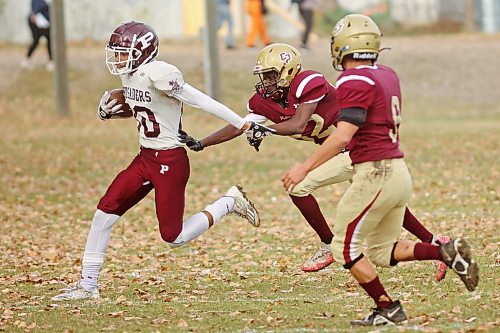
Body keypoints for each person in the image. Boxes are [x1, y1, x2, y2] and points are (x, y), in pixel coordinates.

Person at [179, 43, 450, 279]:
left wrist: (266, 130)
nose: (266, 81)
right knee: (387, 204)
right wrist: (202, 142)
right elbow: (241, 125)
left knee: (299, 186)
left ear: (288, 72)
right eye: (264, 76)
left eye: (271, 75)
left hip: (354, 146)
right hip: (340, 151)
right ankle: (436, 243)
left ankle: (327, 243)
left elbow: (297, 124)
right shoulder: (264, 100)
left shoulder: (309, 82)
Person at [51, 21, 275, 301]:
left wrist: (241, 124)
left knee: (174, 237)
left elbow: (201, 100)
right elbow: (143, 110)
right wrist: (109, 113)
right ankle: (87, 285)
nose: (118, 59)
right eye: (116, 52)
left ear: (143, 51)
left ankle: (229, 202)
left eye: (123, 52)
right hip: (145, 157)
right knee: (103, 215)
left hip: (170, 160)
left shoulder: (159, 74)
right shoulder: (130, 76)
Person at [281, 14, 479, 325]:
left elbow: (344, 135)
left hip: (375, 172)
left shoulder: (353, 79)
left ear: (344, 47)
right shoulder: (387, 74)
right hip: (398, 171)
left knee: (344, 249)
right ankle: (444, 252)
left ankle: (387, 308)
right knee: (380, 251)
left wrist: (304, 167)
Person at [22, 0, 53, 71]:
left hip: (46, 22)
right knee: (36, 40)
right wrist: (33, 15)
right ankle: (26, 59)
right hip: (36, 22)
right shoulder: (37, 2)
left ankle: (51, 61)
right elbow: (35, 8)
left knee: (49, 40)